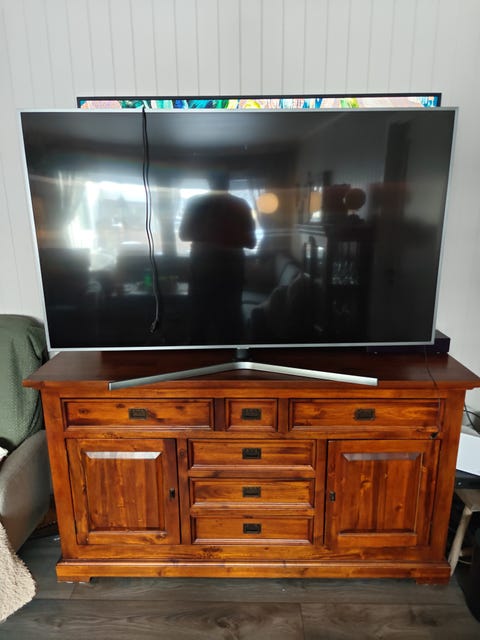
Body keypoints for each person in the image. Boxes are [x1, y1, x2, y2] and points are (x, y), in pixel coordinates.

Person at [179, 171, 256, 343]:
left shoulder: (196, 203)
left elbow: (184, 234)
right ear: (228, 182)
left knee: (201, 328)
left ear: (210, 182)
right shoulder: (240, 205)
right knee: (225, 329)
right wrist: (227, 237)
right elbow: (251, 242)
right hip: (227, 272)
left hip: (206, 272)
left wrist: (209, 235)